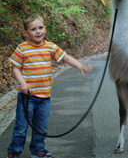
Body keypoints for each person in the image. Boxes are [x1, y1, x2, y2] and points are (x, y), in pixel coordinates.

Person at [7, 13, 92, 158]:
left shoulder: (50, 47)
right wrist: (22, 83)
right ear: (26, 33)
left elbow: (65, 57)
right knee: (21, 127)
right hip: (27, 96)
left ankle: (37, 150)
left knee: (41, 127)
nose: (38, 31)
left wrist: (79, 66)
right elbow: (15, 67)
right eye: (33, 29)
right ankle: (14, 152)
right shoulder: (22, 49)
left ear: (45, 29)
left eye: (40, 28)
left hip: (44, 97)